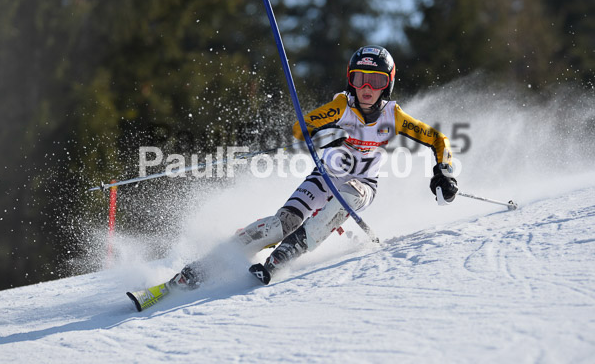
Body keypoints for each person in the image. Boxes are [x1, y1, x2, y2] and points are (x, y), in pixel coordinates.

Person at [170, 45, 458, 288]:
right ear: (350, 81)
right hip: (324, 177)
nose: (367, 88)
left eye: (376, 81)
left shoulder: (393, 116)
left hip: (363, 185)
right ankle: (211, 262)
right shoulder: (340, 107)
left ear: (389, 84)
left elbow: (437, 139)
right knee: (280, 225)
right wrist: (325, 135)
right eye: (359, 79)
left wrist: (444, 172)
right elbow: (300, 128)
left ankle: (290, 251)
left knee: (349, 196)